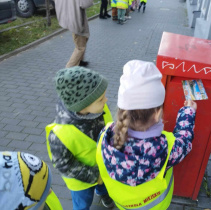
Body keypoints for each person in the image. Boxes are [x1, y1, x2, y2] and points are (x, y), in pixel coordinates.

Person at [96, 60, 197, 209]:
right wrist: (188, 112)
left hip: (122, 204)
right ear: (157, 114)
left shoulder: (105, 134)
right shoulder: (167, 147)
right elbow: (185, 139)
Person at [45, 66, 114, 209]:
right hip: (81, 180)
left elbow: (110, 128)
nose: (106, 100)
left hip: (104, 166)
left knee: (104, 185)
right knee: (82, 203)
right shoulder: (59, 134)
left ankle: (103, 193)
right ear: (83, 106)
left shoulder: (100, 109)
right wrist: (95, 176)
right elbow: (64, 165)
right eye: (101, 99)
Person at [54, 0, 94, 68]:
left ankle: (80, 61)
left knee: (84, 38)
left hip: (69, 16)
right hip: (76, 18)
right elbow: (86, 4)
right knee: (80, 47)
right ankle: (68, 68)